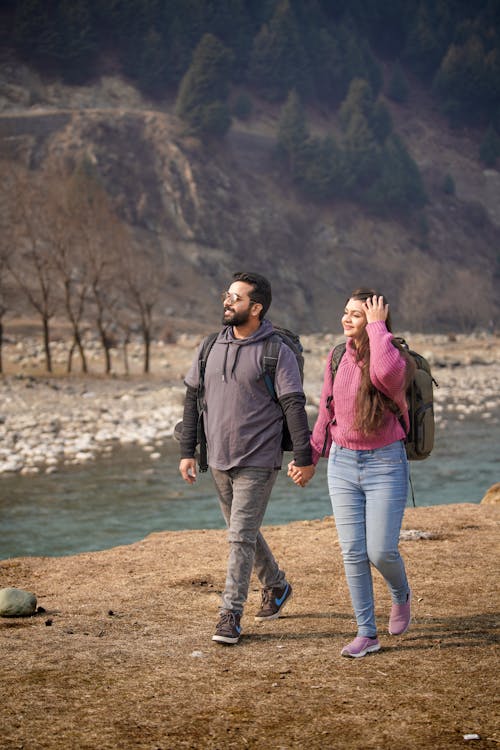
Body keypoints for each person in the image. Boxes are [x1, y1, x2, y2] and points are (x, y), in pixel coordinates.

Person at [179, 271, 315, 645]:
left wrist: (304, 455)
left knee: (239, 537)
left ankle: (230, 615)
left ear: (255, 308)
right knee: (243, 533)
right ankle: (276, 585)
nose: (227, 301)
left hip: (259, 458)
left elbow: (293, 404)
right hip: (218, 458)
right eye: (227, 295)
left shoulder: (276, 351)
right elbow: (192, 399)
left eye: (235, 298)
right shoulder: (209, 347)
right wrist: (186, 451)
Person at [289, 289, 414, 658]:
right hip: (342, 463)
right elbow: (327, 413)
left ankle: (400, 594)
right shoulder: (337, 356)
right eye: (345, 312)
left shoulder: (395, 356)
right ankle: (366, 633)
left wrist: (377, 328)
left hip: (385, 463)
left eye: (356, 315)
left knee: (381, 550)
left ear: (375, 321)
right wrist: (310, 458)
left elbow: (385, 375)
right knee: (353, 552)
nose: (347, 320)